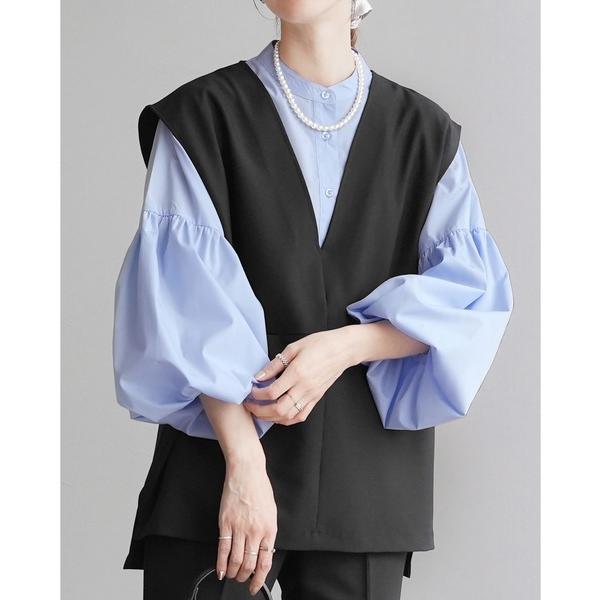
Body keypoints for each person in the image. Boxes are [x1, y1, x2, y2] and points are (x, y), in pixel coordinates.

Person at [112, 1, 514, 598]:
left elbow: (470, 300)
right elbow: (184, 304)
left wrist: (346, 346)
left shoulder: (426, 134)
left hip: (364, 476)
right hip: (219, 461)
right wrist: (244, 466)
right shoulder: (200, 117)